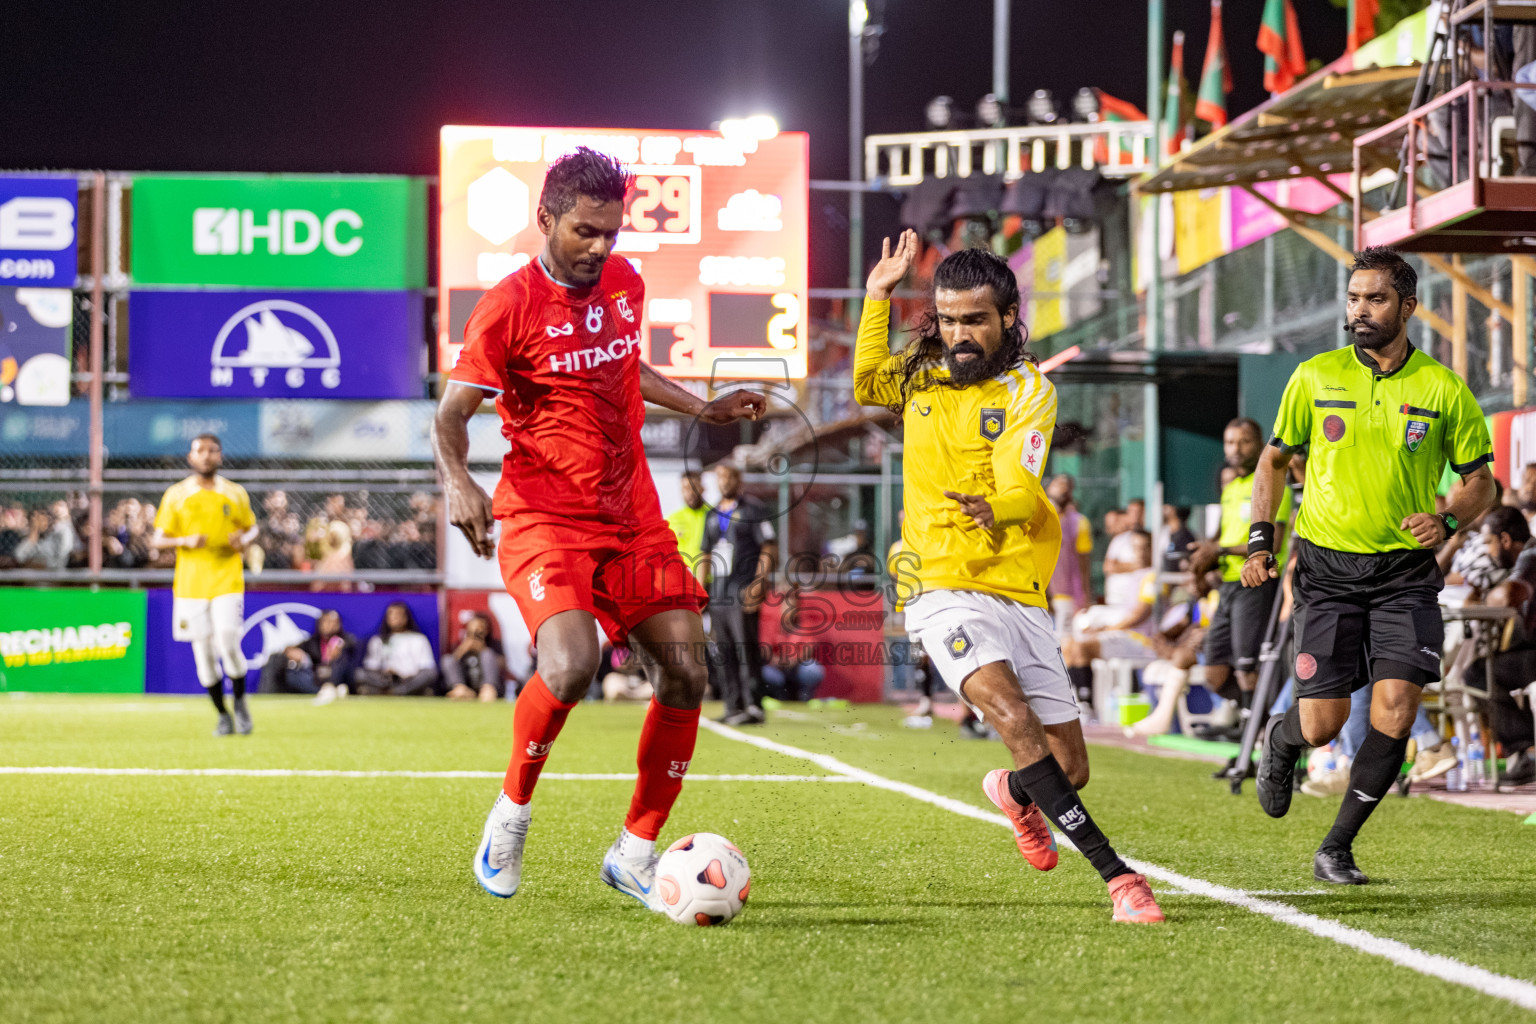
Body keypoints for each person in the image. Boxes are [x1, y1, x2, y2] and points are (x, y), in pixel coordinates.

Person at [431, 147, 765, 906]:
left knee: (686, 671)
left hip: (633, 517)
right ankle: (511, 814)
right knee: (572, 665)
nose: (600, 249)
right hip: (545, 516)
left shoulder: (624, 282)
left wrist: (701, 405)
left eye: (612, 234)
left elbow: (623, 369)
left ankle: (636, 849)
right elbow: (451, 415)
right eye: (585, 232)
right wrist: (459, 482)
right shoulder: (507, 306)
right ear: (545, 219)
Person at [854, 229, 1163, 923]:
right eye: (948, 319)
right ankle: (1120, 879)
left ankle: (1015, 795)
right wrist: (878, 295)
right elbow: (867, 382)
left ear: (1007, 319)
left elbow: (1023, 486)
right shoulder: (921, 370)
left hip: (1017, 587)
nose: (959, 335)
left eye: (974, 321)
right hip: (937, 585)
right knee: (1012, 717)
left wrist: (992, 506)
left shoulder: (1029, 390)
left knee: (1068, 770)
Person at [1244, 246, 1496, 885]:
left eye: (1375, 299)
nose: (1359, 310)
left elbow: (1480, 483)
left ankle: (1337, 847)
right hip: (1327, 572)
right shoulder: (1314, 376)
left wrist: (1445, 521)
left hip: (1405, 577)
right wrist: (1257, 543)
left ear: (1408, 307)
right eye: (1354, 298)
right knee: (1321, 726)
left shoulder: (1442, 388)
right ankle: (1282, 741)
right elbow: (1273, 463)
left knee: (1394, 712)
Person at [1186, 418, 1294, 724]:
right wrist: (1200, 559)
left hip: (1257, 583)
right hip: (1228, 586)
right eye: (1230, 442)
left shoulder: (1274, 485)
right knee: (1214, 673)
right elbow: (1221, 537)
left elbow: (1273, 543)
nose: (1235, 448)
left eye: (1243, 441)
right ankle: (1261, 722)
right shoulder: (1232, 488)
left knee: (1248, 669)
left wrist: (1218, 550)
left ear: (1259, 444)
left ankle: (1254, 739)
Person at [152, 434, 258, 736]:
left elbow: (252, 528)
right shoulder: (176, 494)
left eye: (212, 450)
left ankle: (239, 701)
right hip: (190, 585)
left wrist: (243, 539)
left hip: (227, 578)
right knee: (204, 658)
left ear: (220, 456)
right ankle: (222, 715)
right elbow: (158, 539)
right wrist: (184, 540)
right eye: (201, 450)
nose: (207, 456)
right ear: (191, 457)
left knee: (227, 641)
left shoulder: (235, 493)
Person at [702, 461, 777, 726]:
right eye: (721, 477)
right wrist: (702, 591)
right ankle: (732, 705)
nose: (725, 482)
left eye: (730, 477)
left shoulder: (753, 509)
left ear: (739, 479)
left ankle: (753, 706)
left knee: (746, 648)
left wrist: (759, 583)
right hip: (719, 592)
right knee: (725, 651)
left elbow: (768, 547)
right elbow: (706, 554)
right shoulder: (711, 514)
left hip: (743, 588)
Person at [259, 609, 358, 703]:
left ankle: (331, 687)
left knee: (344, 659)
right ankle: (326, 691)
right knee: (287, 667)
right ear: (320, 624)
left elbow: (352, 646)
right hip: (316, 680)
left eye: (333, 622)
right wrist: (297, 654)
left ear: (338, 625)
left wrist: (341, 648)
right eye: (326, 622)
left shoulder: (346, 641)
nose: (329, 625)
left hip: (337, 678)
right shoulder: (312, 642)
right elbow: (291, 649)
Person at [355, 602, 439, 695]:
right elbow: (371, 666)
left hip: (409, 680)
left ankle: (391, 692)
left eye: (398, 614)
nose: (395, 618)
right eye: (391, 614)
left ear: (406, 617)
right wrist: (385, 673)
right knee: (359, 673)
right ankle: (397, 692)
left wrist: (405, 675)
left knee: (430, 674)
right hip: (385, 680)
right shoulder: (378, 640)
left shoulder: (419, 639)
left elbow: (426, 666)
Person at [1046, 474, 1093, 615]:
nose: (1063, 490)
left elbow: (1084, 563)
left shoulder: (1079, 521)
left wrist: (1086, 595)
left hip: (1066, 595)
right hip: (1037, 591)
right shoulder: (1039, 515)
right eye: (1059, 484)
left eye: (1068, 488)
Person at [442, 612, 505, 702]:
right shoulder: (460, 644)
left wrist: (482, 648)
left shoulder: (493, 644)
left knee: (488, 654)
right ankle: (460, 689)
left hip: (485, 682)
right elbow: (451, 663)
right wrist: (464, 648)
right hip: (467, 681)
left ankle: (488, 689)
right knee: (447, 659)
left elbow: (503, 664)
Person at [14, 502, 78, 571]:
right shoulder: (29, 537)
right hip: (32, 576)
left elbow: (61, 561)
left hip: (53, 576)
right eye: (34, 518)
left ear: (49, 518)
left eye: (41, 516)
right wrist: (34, 532)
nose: (37, 521)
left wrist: (40, 565)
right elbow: (19, 556)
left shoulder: (62, 533)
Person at [665, 471, 708, 563]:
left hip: (711, 576)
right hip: (683, 576)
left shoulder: (713, 516)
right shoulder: (672, 519)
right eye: (685, 489)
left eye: (693, 487)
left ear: (702, 488)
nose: (690, 493)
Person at [1160, 504, 1196, 573]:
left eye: (1167, 506)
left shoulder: (1185, 537)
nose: (1163, 508)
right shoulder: (1164, 533)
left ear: (1174, 510)